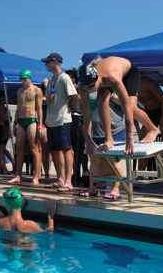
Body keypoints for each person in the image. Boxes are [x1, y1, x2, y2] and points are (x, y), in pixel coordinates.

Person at [78, 56, 159, 155]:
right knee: (101, 99)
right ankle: (109, 139)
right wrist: (88, 139)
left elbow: (127, 108)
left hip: (128, 72)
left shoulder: (112, 79)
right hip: (108, 73)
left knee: (132, 107)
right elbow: (86, 113)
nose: (90, 90)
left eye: (92, 86)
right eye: (87, 87)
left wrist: (129, 140)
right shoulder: (83, 88)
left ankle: (152, 129)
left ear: (98, 78)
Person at [43, 52, 78, 191]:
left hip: (63, 119)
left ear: (55, 62)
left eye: (47, 62)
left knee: (66, 149)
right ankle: (60, 178)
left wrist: (70, 107)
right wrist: (48, 98)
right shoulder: (51, 80)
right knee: (55, 150)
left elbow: (73, 95)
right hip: (51, 120)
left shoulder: (64, 78)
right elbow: (47, 97)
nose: (46, 64)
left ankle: (68, 181)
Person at [80, 92, 123, 200]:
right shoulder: (87, 88)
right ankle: (92, 188)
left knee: (115, 160)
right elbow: (80, 109)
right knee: (94, 161)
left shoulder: (114, 86)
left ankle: (115, 189)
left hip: (115, 130)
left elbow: (126, 104)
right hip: (95, 131)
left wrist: (110, 95)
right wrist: (79, 99)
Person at [9, 69, 44, 186]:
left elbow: (39, 109)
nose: (23, 81)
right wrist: (14, 124)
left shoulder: (37, 90)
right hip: (21, 121)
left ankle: (36, 176)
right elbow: (18, 107)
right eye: (21, 79)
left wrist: (40, 125)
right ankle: (18, 175)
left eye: (25, 79)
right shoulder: (20, 91)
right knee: (19, 149)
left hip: (32, 120)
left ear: (30, 78)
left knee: (34, 148)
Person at [137, 77, 163, 173]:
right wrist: (138, 130)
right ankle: (140, 175)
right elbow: (130, 109)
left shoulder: (148, 83)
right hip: (148, 113)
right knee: (143, 144)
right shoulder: (128, 86)